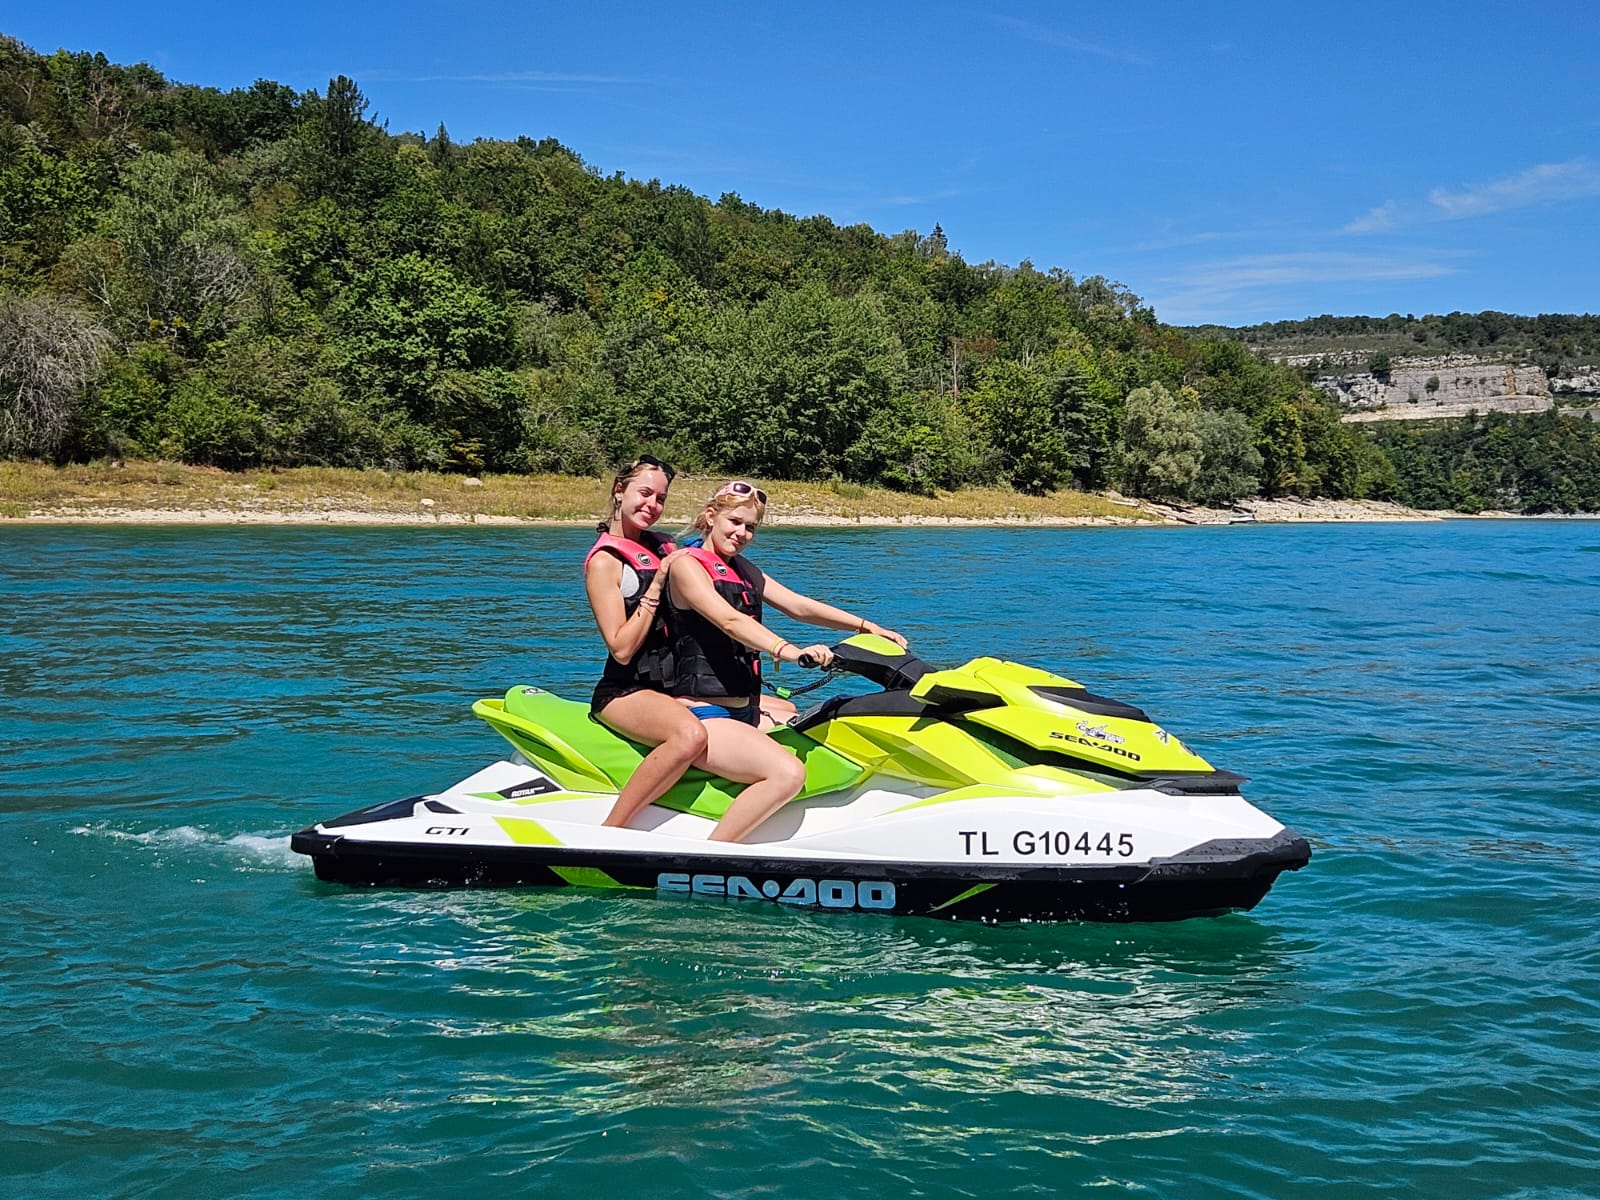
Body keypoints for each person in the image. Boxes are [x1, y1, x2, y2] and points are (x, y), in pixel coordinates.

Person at [664, 480, 907, 842]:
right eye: (734, 522)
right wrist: (790, 651)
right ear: (711, 517)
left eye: (750, 527)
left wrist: (866, 626)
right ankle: (710, 855)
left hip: (743, 707)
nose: (742, 533)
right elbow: (730, 621)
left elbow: (798, 605)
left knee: (801, 716)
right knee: (788, 773)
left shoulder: (740, 568)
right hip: (704, 711)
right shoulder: (687, 566)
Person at [583, 454, 709, 830]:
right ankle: (612, 831)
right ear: (619, 491)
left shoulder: (663, 546)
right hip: (625, 690)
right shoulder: (605, 562)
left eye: (660, 498)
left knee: (780, 711)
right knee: (690, 736)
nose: (652, 505)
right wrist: (656, 586)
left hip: (674, 684)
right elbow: (620, 648)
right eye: (644, 493)